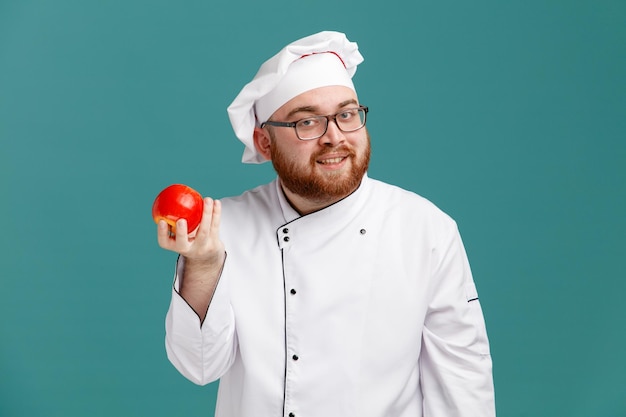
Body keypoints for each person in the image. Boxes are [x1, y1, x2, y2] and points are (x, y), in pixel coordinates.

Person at [157, 31, 496, 417]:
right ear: (264, 142)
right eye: (307, 122)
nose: (334, 137)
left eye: (346, 115)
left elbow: (463, 386)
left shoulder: (426, 231)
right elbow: (199, 367)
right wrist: (203, 265)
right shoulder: (223, 227)